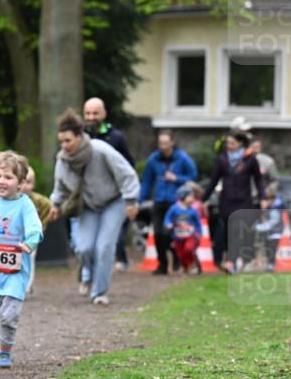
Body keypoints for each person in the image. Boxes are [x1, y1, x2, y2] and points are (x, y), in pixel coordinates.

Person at [49, 109, 139, 306]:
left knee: (104, 246)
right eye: (61, 141)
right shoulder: (63, 159)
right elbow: (60, 186)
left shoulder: (100, 149)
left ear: (80, 137)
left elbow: (127, 174)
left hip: (113, 202)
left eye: (68, 141)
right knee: (83, 247)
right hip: (87, 205)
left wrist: (131, 200)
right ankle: (86, 273)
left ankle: (99, 292)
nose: (64, 146)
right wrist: (55, 204)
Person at [0, 151, 43, 368]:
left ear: (21, 183)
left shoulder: (25, 205)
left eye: (8, 177)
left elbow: (35, 227)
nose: (1, 181)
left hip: (15, 271)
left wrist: (30, 242)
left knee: (10, 315)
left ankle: (5, 352)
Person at [202, 130, 267, 273]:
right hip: (226, 201)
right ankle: (222, 260)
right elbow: (214, 180)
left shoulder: (250, 159)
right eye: (227, 143)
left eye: (232, 143)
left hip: (244, 202)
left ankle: (232, 261)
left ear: (240, 144)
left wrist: (263, 198)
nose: (228, 145)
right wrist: (203, 199)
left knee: (237, 231)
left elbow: (258, 180)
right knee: (223, 233)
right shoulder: (222, 159)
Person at [84, 97, 135, 272]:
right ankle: (87, 270)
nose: (91, 117)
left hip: (113, 197)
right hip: (87, 198)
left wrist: (129, 196)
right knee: (85, 243)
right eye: (88, 113)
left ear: (104, 114)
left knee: (109, 238)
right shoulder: (79, 136)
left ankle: (114, 265)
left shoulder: (116, 137)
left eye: (95, 113)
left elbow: (128, 166)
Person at [139, 130, 198, 275]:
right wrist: (137, 201)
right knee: (158, 234)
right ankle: (162, 264)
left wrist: (176, 178)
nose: (163, 146)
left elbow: (193, 176)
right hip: (159, 201)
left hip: (176, 204)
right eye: (160, 143)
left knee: (173, 234)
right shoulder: (153, 159)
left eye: (166, 143)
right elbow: (146, 181)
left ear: (172, 142)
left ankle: (178, 257)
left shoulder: (182, 158)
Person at [19, 166, 55, 294]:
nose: (25, 186)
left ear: (33, 185)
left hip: (30, 237)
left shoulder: (37, 200)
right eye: (22, 182)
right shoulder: (11, 199)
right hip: (14, 236)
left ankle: (27, 285)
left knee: (29, 259)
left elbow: (50, 206)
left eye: (28, 183)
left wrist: (43, 223)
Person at [162, 185, 203, 275]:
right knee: (180, 254)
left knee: (189, 248)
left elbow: (198, 222)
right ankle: (185, 267)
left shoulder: (193, 210)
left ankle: (192, 263)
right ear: (183, 197)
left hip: (190, 235)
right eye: (190, 196)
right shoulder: (174, 209)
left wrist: (199, 232)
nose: (193, 198)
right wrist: (168, 224)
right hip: (178, 235)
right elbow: (167, 218)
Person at [254, 184, 285, 272]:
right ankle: (269, 264)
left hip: (275, 232)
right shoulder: (269, 208)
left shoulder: (275, 208)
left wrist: (258, 227)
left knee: (271, 249)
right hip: (270, 232)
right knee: (268, 249)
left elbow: (271, 224)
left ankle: (271, 265)